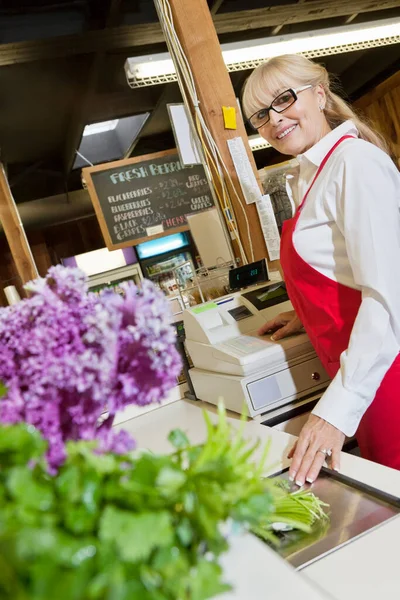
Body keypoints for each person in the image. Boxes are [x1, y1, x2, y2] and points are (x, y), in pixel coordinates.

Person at [242, 54, 400, 486]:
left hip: (387, 377)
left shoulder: (355, 165)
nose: (275, 119)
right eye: (261, 114)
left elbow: (388, 297)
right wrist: (308, 313)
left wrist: (333, 412)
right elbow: (346, 267)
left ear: (319, 93)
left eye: (284, 99)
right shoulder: (312, 174)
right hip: (363, 375)